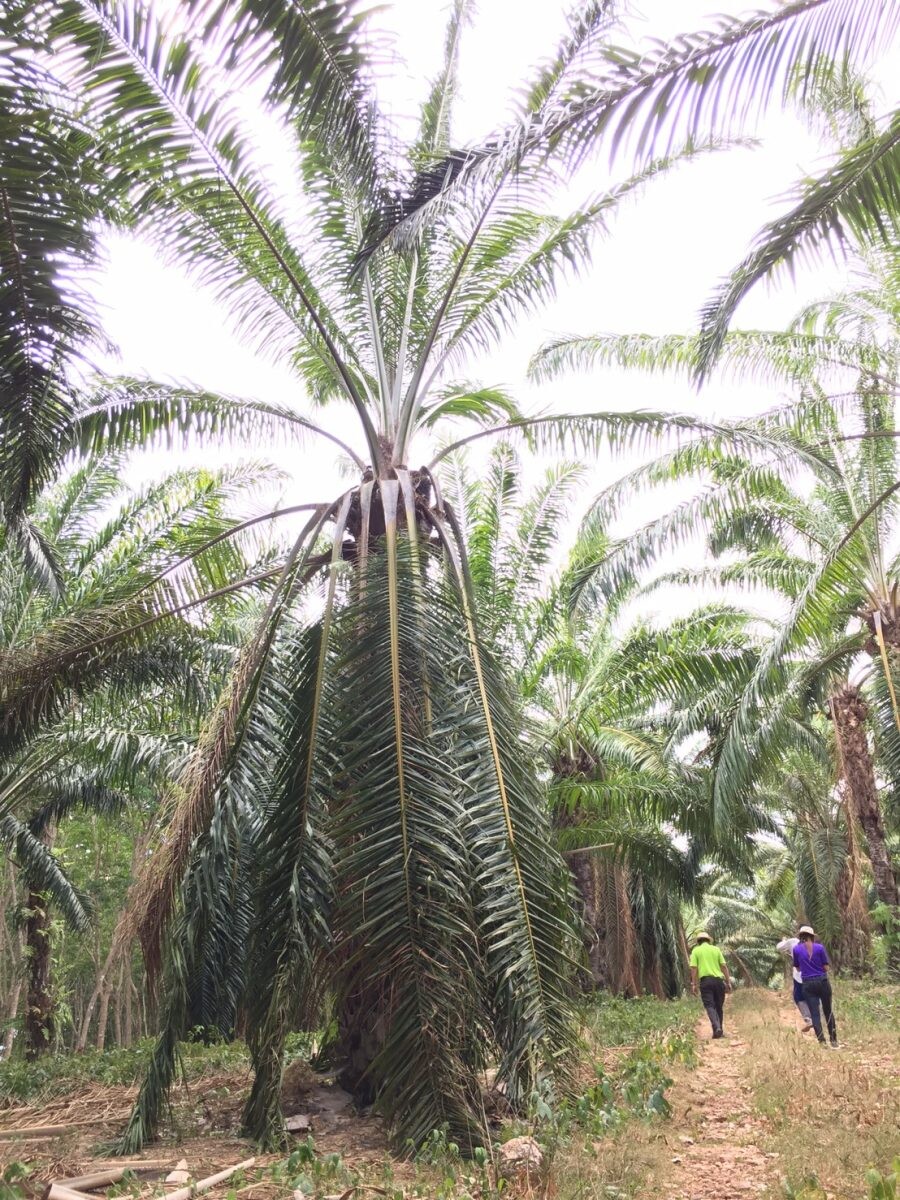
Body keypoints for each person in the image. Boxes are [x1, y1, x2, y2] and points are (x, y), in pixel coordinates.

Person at [792, 925, 838, 1048]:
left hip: (807, 984)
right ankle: (834, 1041)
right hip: (822, 982)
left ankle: (822, 1043)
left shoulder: (796, 950)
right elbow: (826, 967)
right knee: (828, 1011)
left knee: (815, 1014)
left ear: (800, 937)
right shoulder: (819, 948)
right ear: (812, 936)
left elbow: (797, 967)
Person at [689, 931, 733, 1039]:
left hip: (705, 982)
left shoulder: (696, 951)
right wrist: (728, 982)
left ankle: (716, 1027)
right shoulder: (716, 949)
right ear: (709, 940)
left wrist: (694, 984)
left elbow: (694, 968)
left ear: (698, 942)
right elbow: (724, 967)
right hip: (719, 981)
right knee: (719, 1006)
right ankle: (719, 1030)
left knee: (709, 1006)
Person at [775, 934, 814, 1032]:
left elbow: (779, 947)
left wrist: (784, 940)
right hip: (814, 976)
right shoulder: (816, 945)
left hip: (799, 977)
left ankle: (808, 1019)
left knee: (798, 997)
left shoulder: (793, 942)